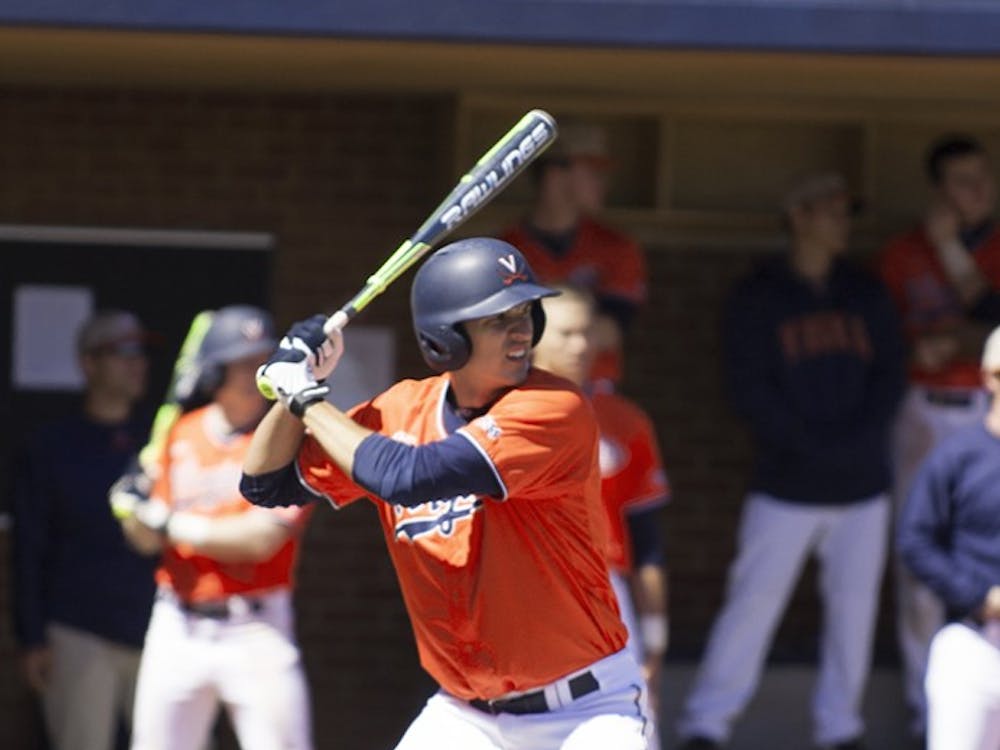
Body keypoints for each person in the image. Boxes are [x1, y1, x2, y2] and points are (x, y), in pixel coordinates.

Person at [241, 238, 653, 750]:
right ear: (445, 338)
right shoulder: (400, 410)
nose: (522, 329)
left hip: (584, 713)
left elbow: (409, 477)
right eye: (498, 318)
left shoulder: (554, 408)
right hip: (465, 716)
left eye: (525, 312)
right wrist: (293, 393)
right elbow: (266, 483)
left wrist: (305, 396)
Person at [676, 173, 905, 750]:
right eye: (830, 211)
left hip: (862, 485)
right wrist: (811, 444)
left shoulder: (865, 290)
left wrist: (851, 442)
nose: (842, 223)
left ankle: (841, 728)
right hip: (786, 481)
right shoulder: (759, 295)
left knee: (854, 614)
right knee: (752, 604)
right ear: (799, 216)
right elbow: (749, 389)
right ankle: (707, 724)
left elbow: (889, 377)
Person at [115, 305, 314, 750]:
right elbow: (145, 542)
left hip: (256, 626)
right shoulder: (181, 433)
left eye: (261, 361)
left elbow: (261, 539)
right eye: (242, 363)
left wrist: (169, 522)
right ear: (214, 373)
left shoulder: (287, 438)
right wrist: (131, 508)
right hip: (177, 624)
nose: (255, 373)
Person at [877, 133, 1000, 740]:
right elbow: (879, 332)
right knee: (923, 557)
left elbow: (992, 316)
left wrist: (951, 247)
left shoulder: (993, 243)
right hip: (923, 406)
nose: (977, 190)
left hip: (987, 407)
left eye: (984, 177)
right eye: (962, 181)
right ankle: (928, 703)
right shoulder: (901, 253)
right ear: (939, 191)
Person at [11, 309, 157, 750]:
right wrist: (31, 637)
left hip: (160, 630)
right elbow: (29, 546)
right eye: (122, 352)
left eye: (143, 352)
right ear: (88, 363)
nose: (138, 363)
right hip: (78, 628)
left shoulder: (160, 436)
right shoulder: (51, 446)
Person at [531, 284, 670, 737]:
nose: (582, 345)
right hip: (521, 586)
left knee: (629, 728)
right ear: (528, 336)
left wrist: (655, 639)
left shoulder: (623, 420)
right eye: (566, 333)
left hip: (604, 591)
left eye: (588, 333)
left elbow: (647, 540)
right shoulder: (492, 412)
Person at [897, 323, 1000, 750]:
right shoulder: (959, 455)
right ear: (992, 376)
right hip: (975, 641)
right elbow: (916, 541)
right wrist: (980, 595)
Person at [500, 118, 648, 387]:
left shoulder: (617, 246)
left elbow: (611, 330)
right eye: (594, 171)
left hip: (594, 389)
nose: (603, 182)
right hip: (517, 386)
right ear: (556, 173)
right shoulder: (505, 249)